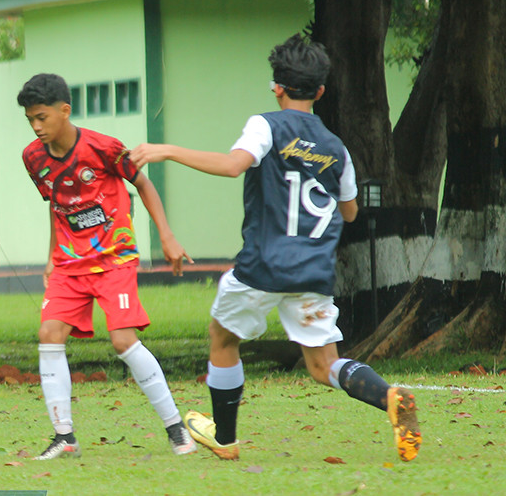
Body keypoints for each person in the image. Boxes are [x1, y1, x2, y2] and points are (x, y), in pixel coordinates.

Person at [129, 33, 421, 462]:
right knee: (323, 366)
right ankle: (391, 396)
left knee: (223, 337)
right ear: (320, 92)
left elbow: (233, 166)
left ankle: (225, 440)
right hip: (313, 272)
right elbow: (352, 212)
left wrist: (167, 150)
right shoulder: (337, 147)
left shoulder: (266, 125)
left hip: (263, 265)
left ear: (277, 86)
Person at [16, 72, 197, 460]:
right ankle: (64, 436)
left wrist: (166, 236)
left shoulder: (103, 148)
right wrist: (52, 256)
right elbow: (57, 204)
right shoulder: (33, 157)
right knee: (49, 334)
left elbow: (143, 185)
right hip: (68, 263)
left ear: (65, 111)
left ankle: (176, 428)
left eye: (42, 117)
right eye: (30, 118)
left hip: (114, 257)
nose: (36, 126)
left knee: (122, 341)